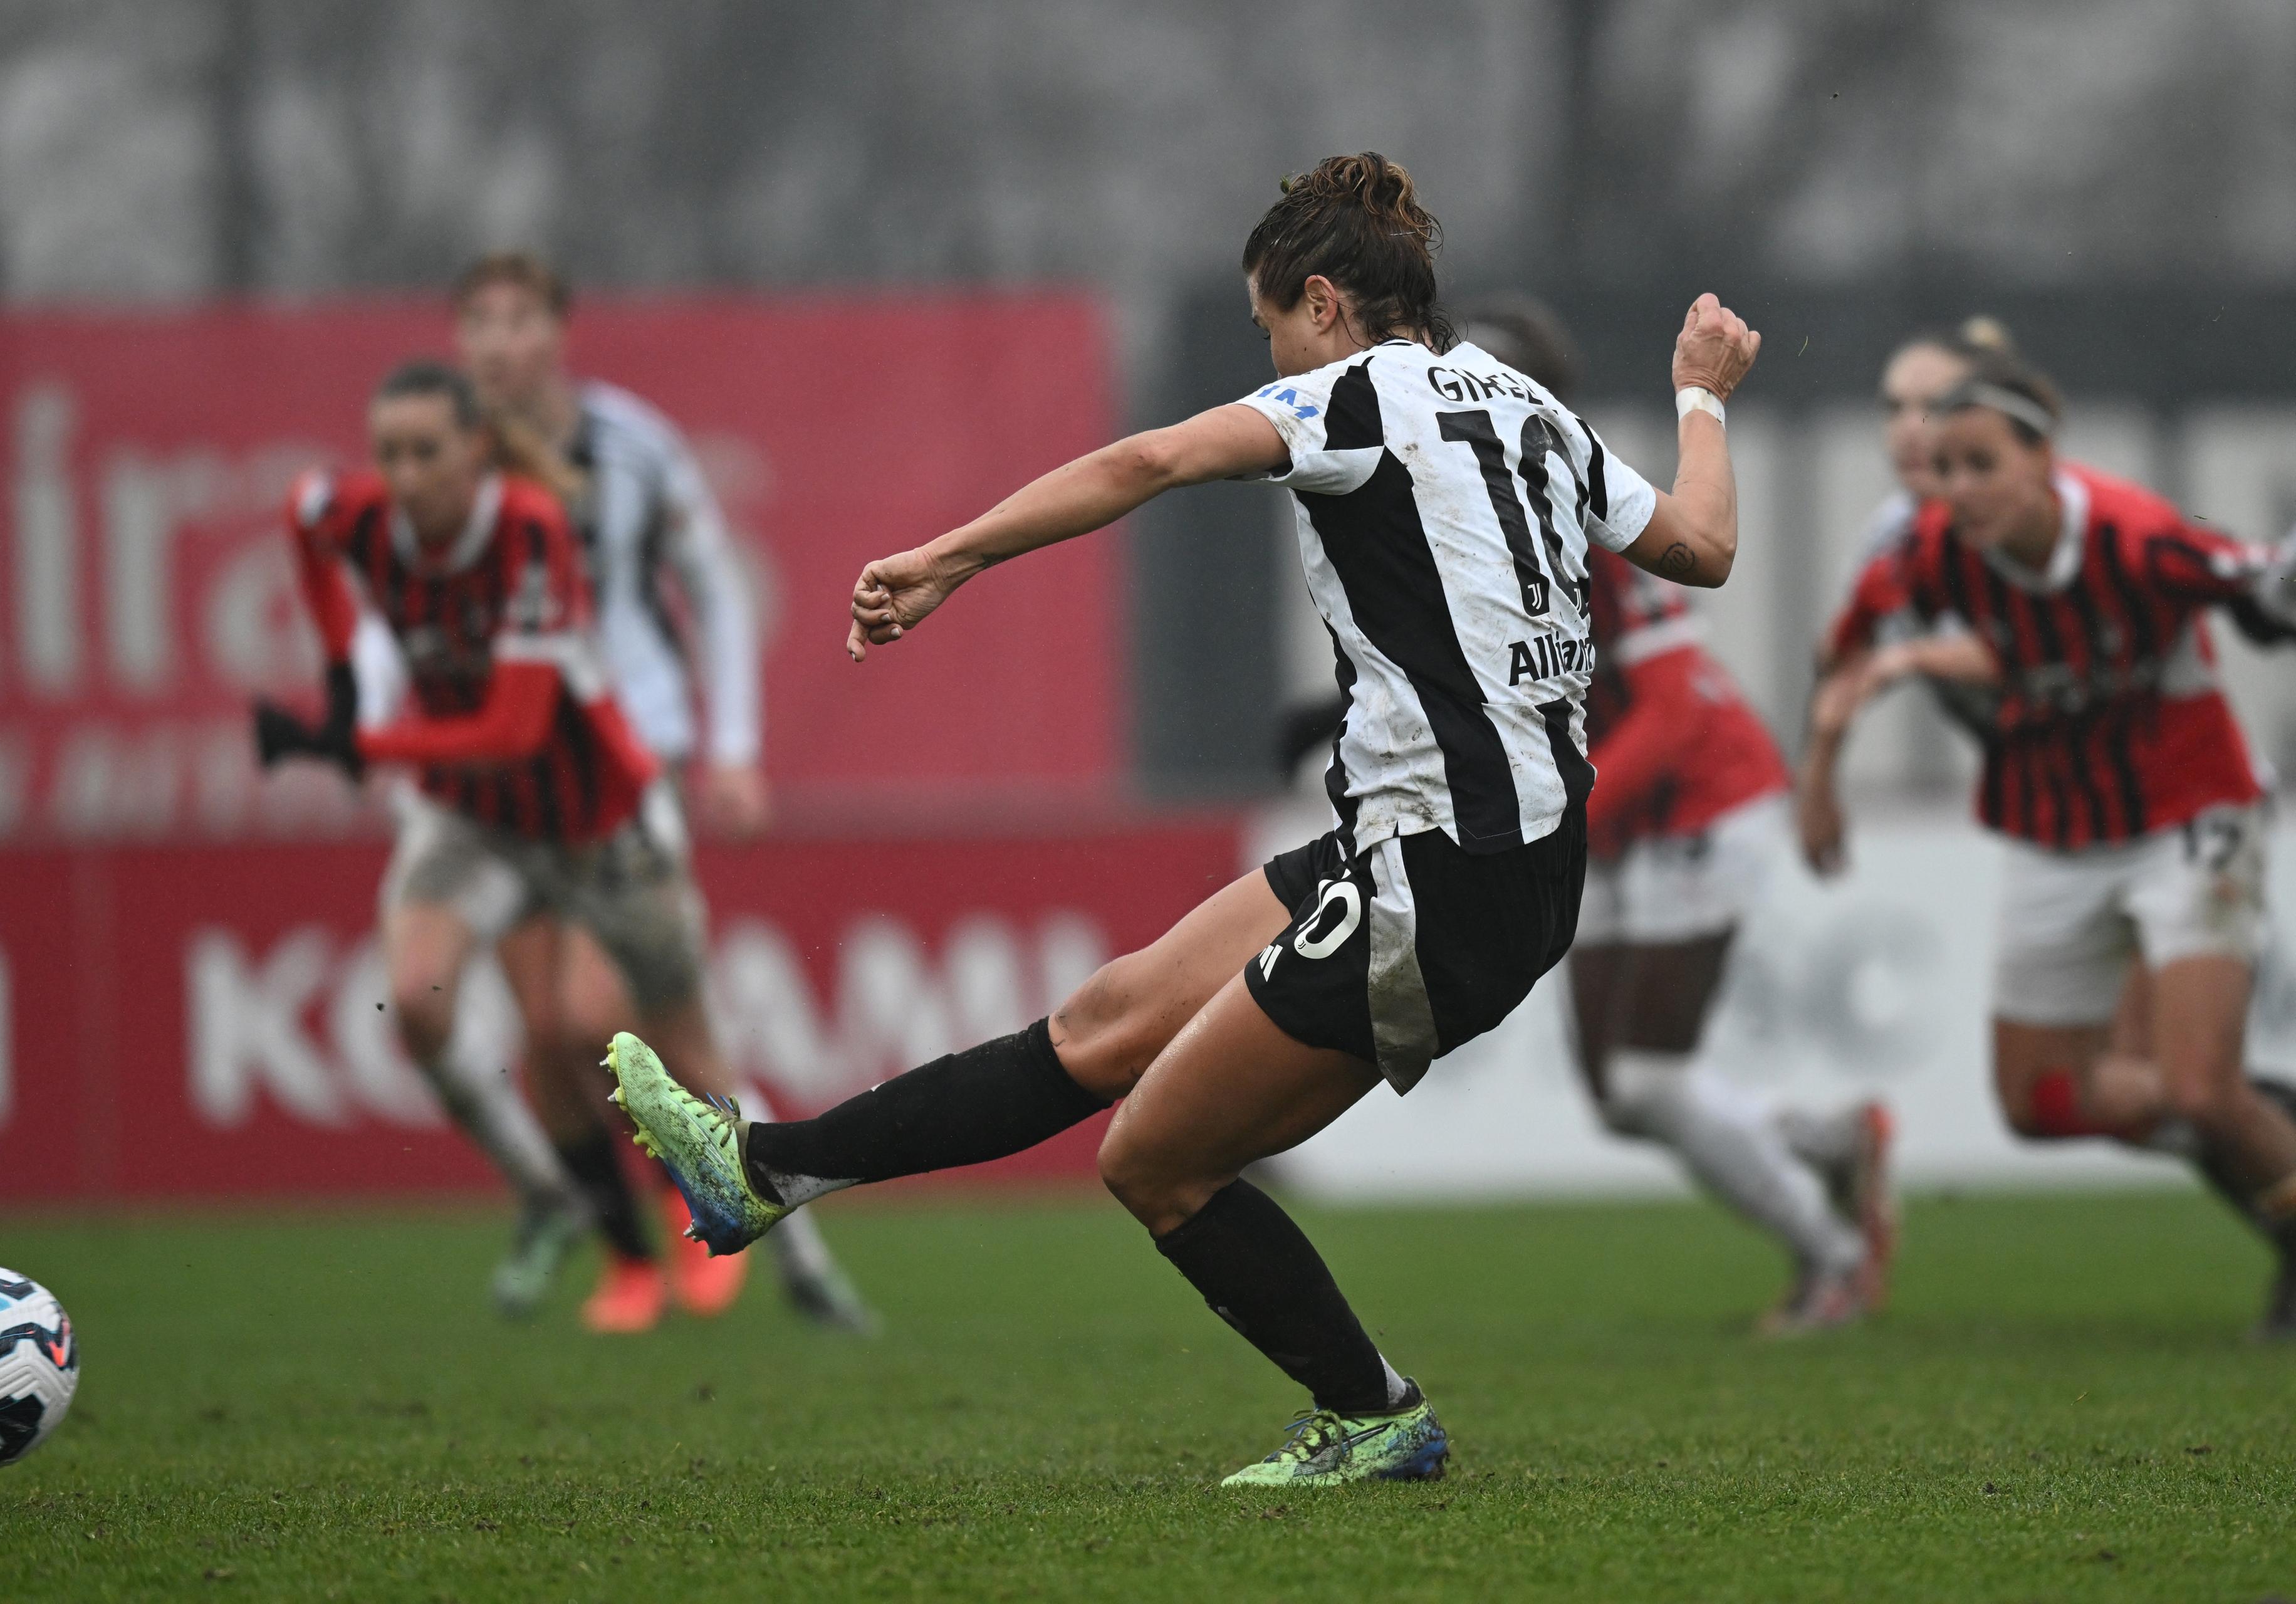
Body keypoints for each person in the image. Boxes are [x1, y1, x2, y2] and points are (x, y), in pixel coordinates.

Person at [606, 153, 1761, 1485]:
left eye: (1266, 325)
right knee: (1107, 1020)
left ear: (1323, 303)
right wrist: (1700, 398)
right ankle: (763, 1173)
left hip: (1442, 868)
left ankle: (1377, 1412)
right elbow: (1703, 548)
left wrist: (948, 555)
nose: (1263, 355)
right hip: (1468, 847)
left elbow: (1153, 456)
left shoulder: (1346, 397)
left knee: (1155, 1158)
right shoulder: (1533, 408)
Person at [1800, 346, 2296, 1337]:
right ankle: (2270, 1120)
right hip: (2052, 833)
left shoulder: (2138, 536)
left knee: (2199, 1090)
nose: (1958, 490)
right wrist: (1821, 772)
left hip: (2190, 821)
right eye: (1944, 470)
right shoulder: (1926, 552)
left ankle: (2259, 1147)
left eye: (1981, 464)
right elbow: (1845, 649)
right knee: (2038, 1104)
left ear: (2044, 460)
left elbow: (2263, 596)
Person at [250, 361, 751, 1322]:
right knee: (448, 1012)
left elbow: (515, 729)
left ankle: (715, 1204)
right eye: (388, 452)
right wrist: (343, 668)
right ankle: (585, 1225)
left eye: (425, 451)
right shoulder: (355, 513)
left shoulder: (529, 531)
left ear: (477, 448)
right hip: (482, 818)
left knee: (595, 1029)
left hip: (597, 807)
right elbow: (305, 511)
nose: (403, 473)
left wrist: (354, 737)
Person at [450, 253, 872, 1334]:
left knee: (614, 1017)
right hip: (498, 776)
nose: (497, 343)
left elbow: (714, 588)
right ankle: (630, 1259)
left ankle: (756, 1228)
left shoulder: (630, 443)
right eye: (478, 323)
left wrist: (730, 747)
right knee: (542, 1034)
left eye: (517, 320)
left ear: (557, 331)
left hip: (623, 763)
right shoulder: (442, 457)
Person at [1463, 298, 1897, 1334]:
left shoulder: (1581, 502)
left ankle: (1835, 1257)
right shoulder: (1455, 510)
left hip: (1699, 797)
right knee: (1620, 1096)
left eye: (1490, 381)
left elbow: (1666, 702)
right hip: (1612, 810)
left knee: (1653, 1082)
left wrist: (1567, 809)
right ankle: (1835, 1143)